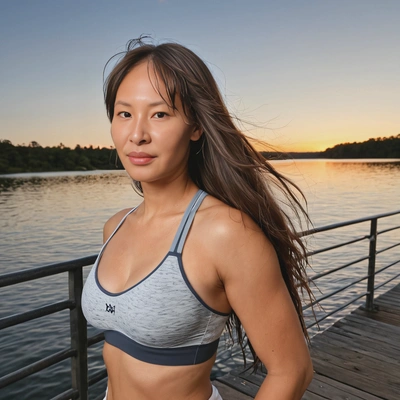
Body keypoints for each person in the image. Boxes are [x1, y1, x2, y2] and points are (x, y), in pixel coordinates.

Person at [82, 36, 314, 400]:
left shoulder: (225, 233)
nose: (137, 135)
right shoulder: (116, 226)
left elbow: (292, 370)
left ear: (195, 126)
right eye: (124, 113)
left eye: (160, 114)